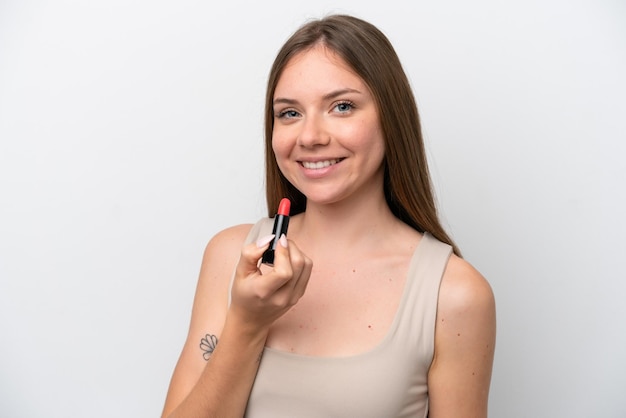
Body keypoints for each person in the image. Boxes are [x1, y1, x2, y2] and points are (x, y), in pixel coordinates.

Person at [161, 14, 496, 418]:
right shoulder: (230, 255)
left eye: (341, 106)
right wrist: (246, 325)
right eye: (289, 113)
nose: (310, 137)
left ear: (391, 117)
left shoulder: (455, 293)